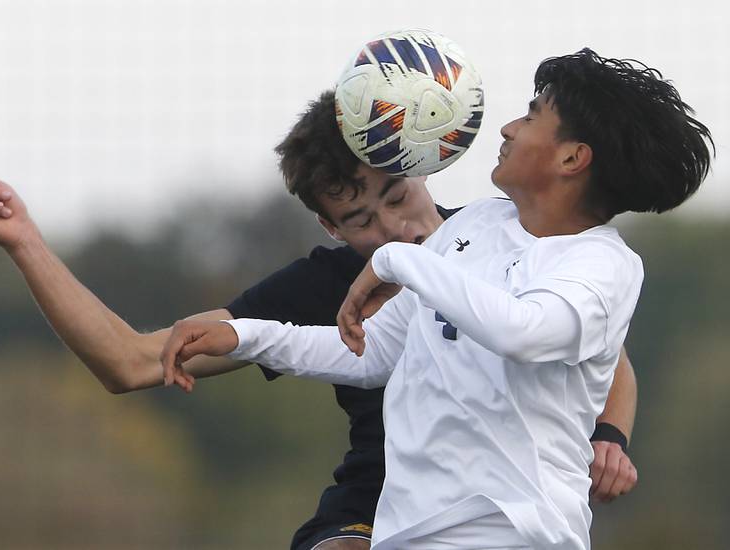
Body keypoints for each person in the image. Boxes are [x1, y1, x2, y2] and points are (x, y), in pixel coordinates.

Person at [0, 89, 637, 550]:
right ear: (329, 226)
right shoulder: (319, 285)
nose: (389, 231)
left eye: (397, 198)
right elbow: (131, 362)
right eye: (359, 222)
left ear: (419, 167)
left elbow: (605, 357)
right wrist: (26, 242)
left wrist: (610, 434)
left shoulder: (494, 237)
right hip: (373, 514)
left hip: (496, 519)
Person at [158, 49, 713, 550]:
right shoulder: (473, 226)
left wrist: (401, 260)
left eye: (531, 116)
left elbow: (523, 332)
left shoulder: (602, 266)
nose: (509, 128)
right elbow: (372, 353)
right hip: (405, 536)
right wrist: (248, 335)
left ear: (572, 159)